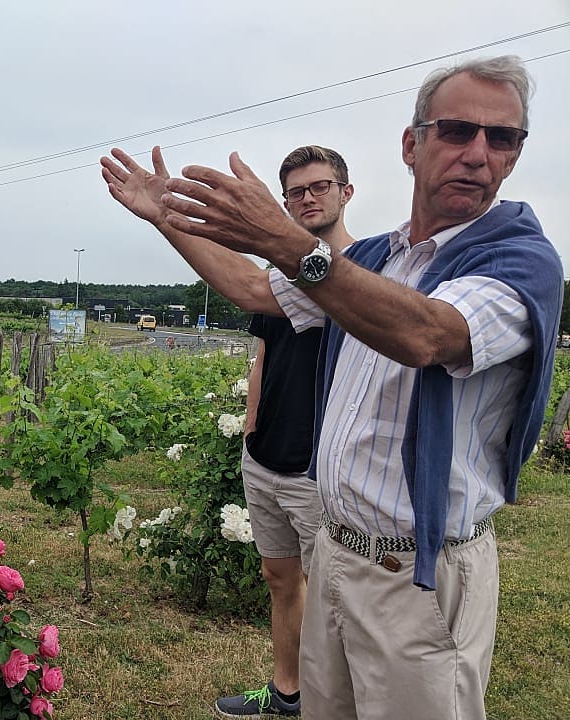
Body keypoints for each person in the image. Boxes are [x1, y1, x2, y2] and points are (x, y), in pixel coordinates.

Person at [108, 55, 561, 720]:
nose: (478, 153)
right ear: (412, 145)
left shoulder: (519, 262)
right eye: (457, 130)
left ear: (516, 155)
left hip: (418, 581)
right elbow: (252, 287)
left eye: (502, 138)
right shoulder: (378, 259)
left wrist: (289, 243)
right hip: (337, 554)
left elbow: (427, 334)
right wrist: (165, 217)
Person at [102, 143, 357, 718]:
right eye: (295, 192)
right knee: (279, 579)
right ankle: (287, 693)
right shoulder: (285, 281)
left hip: (321, 467)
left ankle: (331, 701)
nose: (308, 199)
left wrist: (168, 215)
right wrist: (251, 426)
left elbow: (244, 279)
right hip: (266, 455)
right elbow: (263, 342)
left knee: (336, 598)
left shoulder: (360, 277)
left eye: (320, 186)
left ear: (346, 192)